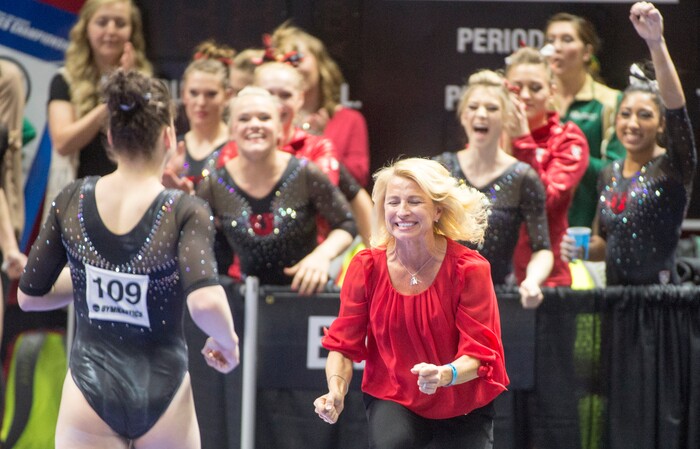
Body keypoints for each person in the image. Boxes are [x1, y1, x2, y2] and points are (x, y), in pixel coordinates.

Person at [18, 70, 240, 449]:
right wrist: (229, 342)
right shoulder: (184, 209)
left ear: (109, 137)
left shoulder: (73, 198)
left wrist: (93, 278)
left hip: (88, 389)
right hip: (164, 388)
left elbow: (30, 295)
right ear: (169, 137)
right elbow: (204, 301)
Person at [314, 158, 508, 449]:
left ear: (437, 210)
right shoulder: (366, 266)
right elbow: (343, 345)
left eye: (414, 201)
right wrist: (336, 392)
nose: (402, 212)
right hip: (394, 393)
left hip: (461, 398)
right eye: (393, 202)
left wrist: (445, 374)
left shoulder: (469, 269)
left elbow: (481, 353)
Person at [561, 2, 696, 286]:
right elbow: (604, 246)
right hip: (616, 303)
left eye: (645, 115)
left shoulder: (673, 166)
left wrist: (655, 43)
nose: (632, 123)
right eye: (625, 114)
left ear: (661, 124)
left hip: (659, 304)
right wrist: (580, 249)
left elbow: (676, 108)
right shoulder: (609, 172)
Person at [197, 87, 357, 295]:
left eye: (264, 118)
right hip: (243, 296)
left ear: (280, 129)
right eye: (244, 119)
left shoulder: (304, 173)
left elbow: (346, 223)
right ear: (231, 131)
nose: (254, 125)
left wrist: (322, 256)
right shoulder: (213, 185)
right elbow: (197, 242)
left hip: (303, 293)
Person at [435, 69, 553, 308]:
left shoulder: (522, 176)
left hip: (497, 298)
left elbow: (543, 249)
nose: (481, 115)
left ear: (507, 117)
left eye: (491, 108)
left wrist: (532, 280)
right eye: (473, 107)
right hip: (444, 297)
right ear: (463, 116)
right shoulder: (441, 168)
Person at [46, 0, 152, 207]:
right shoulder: (64, 80)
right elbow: (63, 143)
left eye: (120, 23)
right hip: (77, 201)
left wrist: (131, 87)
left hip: (130, 201)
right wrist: (115, 96)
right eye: (102, 22)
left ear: (132, 32)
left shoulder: (146, 84)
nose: (111, 30)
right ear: (86, 27)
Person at [505, 46, 590, 288]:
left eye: (535, 87)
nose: (524, 95)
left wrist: (522, 141)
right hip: (493, 275)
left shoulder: (567, 138)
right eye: (515, 87)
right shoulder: (492, 135)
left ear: (552, 91)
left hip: (548, 279)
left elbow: (545, 201)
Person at [545, 12, 627, 229]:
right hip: (539, 225)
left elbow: (618, 169)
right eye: (551, 40)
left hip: (589, 228)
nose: (557, 47)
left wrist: (571, 157)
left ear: (587, 52)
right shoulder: (536, 101)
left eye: (567, 39)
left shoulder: (610, 101)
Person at [270, 22, 370, 187]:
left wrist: (321, 143)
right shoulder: (267, 121)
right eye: (284, 59)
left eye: (297, 58)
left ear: (319, 62)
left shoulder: (350, 120)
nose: (292, 66)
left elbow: (358, 179)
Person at [163, 40, 234, 190]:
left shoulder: (238, 147)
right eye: (194, 93)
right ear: (183, 94)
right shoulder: (172, 149)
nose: (201, 102)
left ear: (227, 96)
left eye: (211, 94)